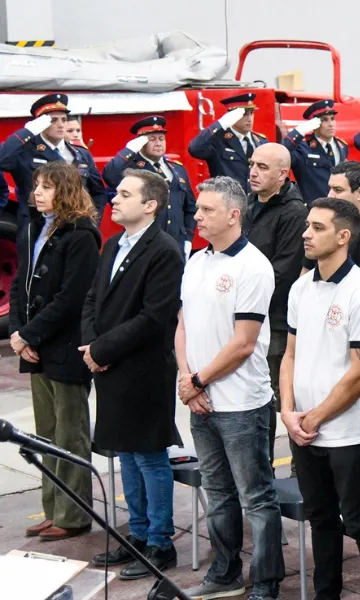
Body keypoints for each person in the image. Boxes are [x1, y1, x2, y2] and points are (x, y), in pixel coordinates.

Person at [177, 176, 285, 600]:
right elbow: (182, 325)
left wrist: (197, 381)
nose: (198, 216)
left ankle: (267, 582)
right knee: (218, 493)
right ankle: (225, 572)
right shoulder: (196, 260)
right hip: (201, 399)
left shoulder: (252, 266)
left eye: (207, 210)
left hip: (241, 403)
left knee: (256, 497)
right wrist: (186, 378)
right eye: (198, 209)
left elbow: (243, 343)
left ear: (233, 215)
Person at [281, 198, 360, 600]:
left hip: (348, 432)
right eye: (307, 226)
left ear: (343, 236)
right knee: (321, 519)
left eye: (318, 227)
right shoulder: (300, 287)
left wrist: (314, 418)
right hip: (304, 428)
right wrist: (288, 412)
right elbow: (289, 355)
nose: (306, 234)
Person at [83, 169, 183, 578]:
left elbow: (153, 317)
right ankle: (137, 535)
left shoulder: (164, 251)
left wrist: (102, 349)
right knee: (126, 454)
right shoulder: (113, 244)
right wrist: (90, 346)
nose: (114, 199)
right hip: (110, 366)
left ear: (150, 205)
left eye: (125, 194)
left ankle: (160, 542)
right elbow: (93, 299)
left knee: (149, 457)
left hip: (144, 370)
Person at [11, 162, 100, 541]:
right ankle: (53, 510)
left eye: (46, 187)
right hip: (37, 347)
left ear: (64, 191)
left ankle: (73, 515)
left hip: (64, 348)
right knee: (45, 435)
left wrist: (29, 335)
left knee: (70, 434)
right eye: (36, 186)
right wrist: (19, 333)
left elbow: (71, 298)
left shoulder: (81, 235)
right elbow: (20, 284)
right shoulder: (35, 227)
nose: (37, 193)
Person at [243, 143, 307, 465]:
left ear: (283, 174)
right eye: (252, 164)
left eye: (262, 167)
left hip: (276, 322)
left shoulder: (294, 213)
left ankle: (300, 472)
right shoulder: (250, 204)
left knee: (280, 399)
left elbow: (282, 271)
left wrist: (242, 292)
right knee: (254, 398)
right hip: (248, 316)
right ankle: (260, 467)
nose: (253, 172)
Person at [0, 93, 106, 229]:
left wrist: (92, 222)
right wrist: (27, 132)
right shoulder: (25, 152)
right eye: (53, 120)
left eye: (64, 119)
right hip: (37, 228)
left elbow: (98, 192)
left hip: (75, 229)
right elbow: (2, 159)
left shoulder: (81, 153)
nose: (61, 125)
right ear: (40, 124)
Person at [102, 115, 197, 253]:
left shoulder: (177, 168)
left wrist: (188, 238)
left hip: (177, 242)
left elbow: (190, 206)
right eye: (152, 139)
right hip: (146, 243)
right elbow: (109, 175)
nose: (158, 143)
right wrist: (129, 150)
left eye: (161, 138)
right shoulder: (132, 169)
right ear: (141, 143)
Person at [187, 93, 269, 192]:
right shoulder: (218, 140)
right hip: (227, 199)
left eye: (251, 113)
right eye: (244, 114)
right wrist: (220, 124)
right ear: (231, 116)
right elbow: (194, 149)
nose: (249, 118)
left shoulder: (261, 141)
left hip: (255, 198)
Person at [281, 98, 349, 205]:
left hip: (337, 206)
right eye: (325, 120)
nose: (331, 124)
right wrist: (299, 131)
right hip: (312, 208)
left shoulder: (342, 146)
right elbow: (282, 152)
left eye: (332, 119)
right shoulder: (302, 148)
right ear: (315, 124)